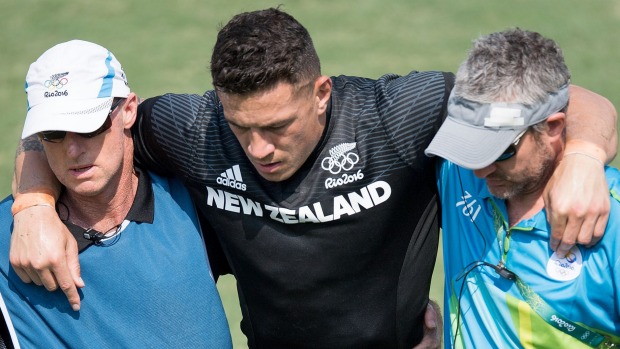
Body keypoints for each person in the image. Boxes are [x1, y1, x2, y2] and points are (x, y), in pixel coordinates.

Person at [10, 9, 617, 349]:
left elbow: (556, 99)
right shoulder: (193, 128)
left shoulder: (398, 117)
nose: (259, 149)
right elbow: (75, 131)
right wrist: (34, 204)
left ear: (322, 94)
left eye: (277, 125)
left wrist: (586, 156)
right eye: (241, 126)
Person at [3, 40, 232, 348]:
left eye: (88, 125)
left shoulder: (190, 197)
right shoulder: (7, 237)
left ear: (128, 110)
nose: (72, 149)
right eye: (53, 132)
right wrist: (31, 205)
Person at [425, 28, 620, 348]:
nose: (480, 168)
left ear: (553, 128)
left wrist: (585, 155)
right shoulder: (456, 171)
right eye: (468, 145)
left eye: (500, 150)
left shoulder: (613, 221)